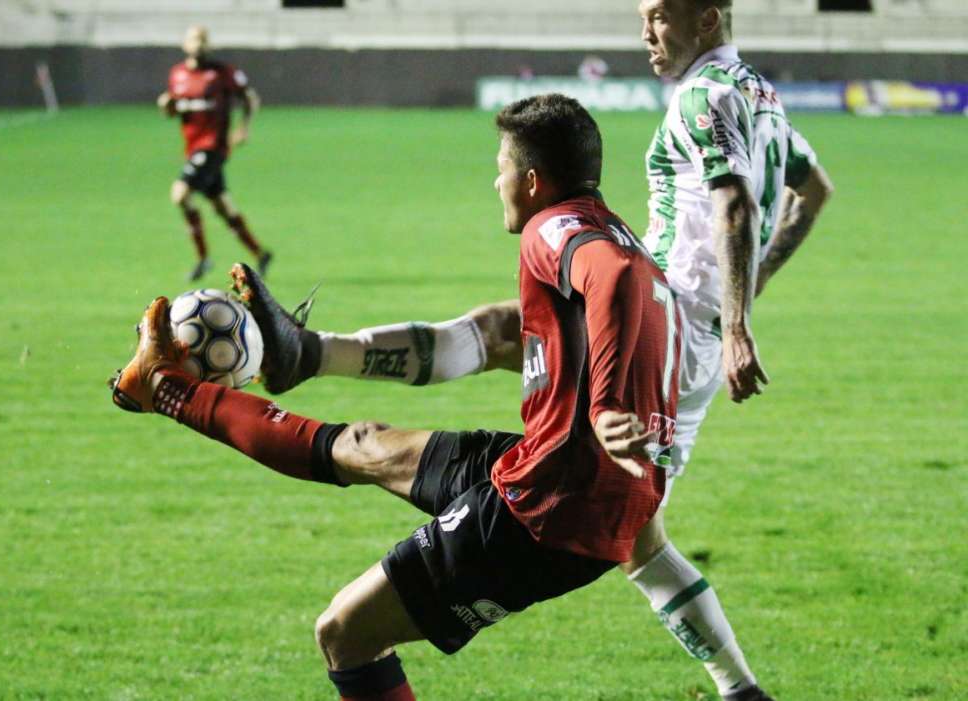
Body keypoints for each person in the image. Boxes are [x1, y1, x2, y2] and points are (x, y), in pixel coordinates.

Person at [242, 2, 833, 698]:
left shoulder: (704, 97)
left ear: (706, 19)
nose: (645, 31)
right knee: (633, 526)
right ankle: (741, 688)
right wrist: (743, 297)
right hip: (682, 327)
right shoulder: (761, 95)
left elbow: (736, 205)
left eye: (659, 16)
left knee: (519, 357)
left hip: (664, 323)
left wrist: (736, 322)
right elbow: (813, 191)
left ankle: (307, 354)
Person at [111, 94, 684, 700]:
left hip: (551, 506)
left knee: (345, 633)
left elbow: (610, 277)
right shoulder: (617, 230)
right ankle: (170, 391)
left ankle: (167, 388)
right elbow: (509, 328)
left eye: (503, 168)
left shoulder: (554, 227)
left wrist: (605, 405)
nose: (497, 181)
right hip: (568, 474)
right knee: (364, 446)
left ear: (534, 180)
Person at [158, 25, 272, 282]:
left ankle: (203, 257)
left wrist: (244, 128)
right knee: (222, 207)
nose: (198, 44)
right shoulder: (177, 75)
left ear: (209, 45)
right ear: (185, 44)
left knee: (180, 194)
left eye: (202, 40)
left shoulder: (223, 73)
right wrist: (166, 106)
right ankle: (260, 253)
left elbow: (250, 98)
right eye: (193, 39)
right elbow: (173, 112)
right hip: (193, 148)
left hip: (213, 148)